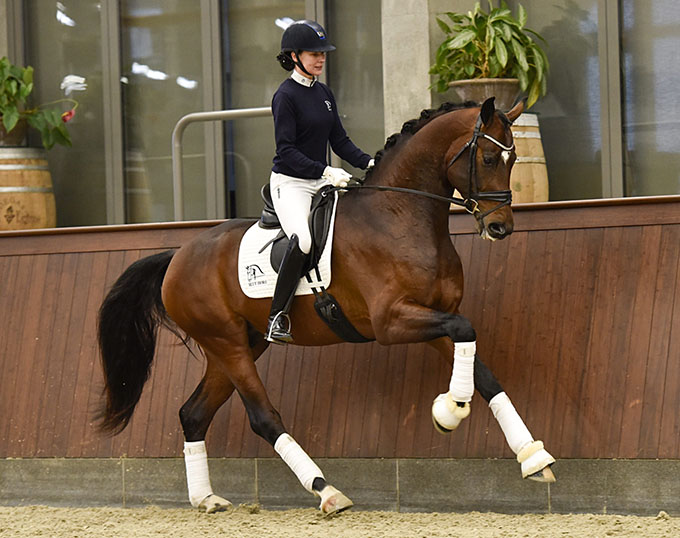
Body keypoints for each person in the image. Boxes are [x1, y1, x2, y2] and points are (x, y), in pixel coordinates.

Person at [266, 19, 373, 345]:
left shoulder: (323, 92)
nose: (321, 59)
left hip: (320, 179)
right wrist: (325, 172)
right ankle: (277, 316)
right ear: (294, 56)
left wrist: (371, 162)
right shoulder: (285, 97)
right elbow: (286, 151)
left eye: (323, 54)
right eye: (314, 54)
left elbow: (340, 141)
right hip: (291, 183)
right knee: (304, 240)